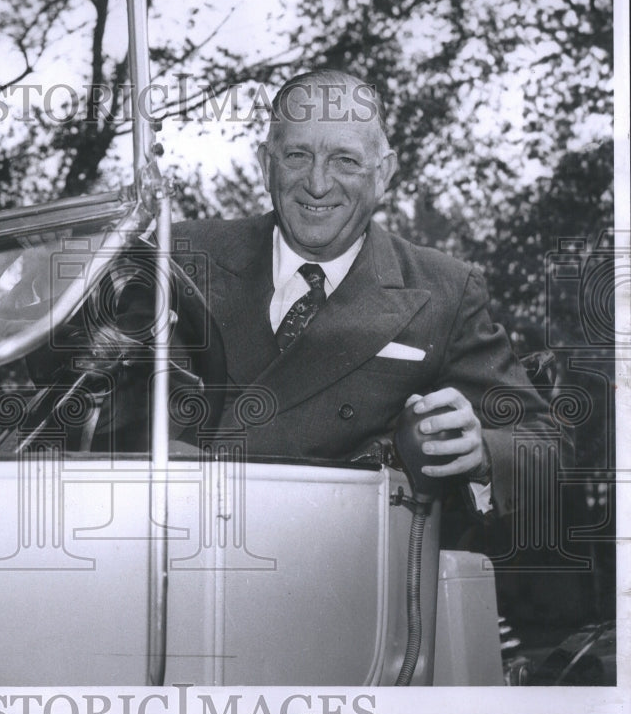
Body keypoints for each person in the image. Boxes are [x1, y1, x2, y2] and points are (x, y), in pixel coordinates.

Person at [172, 69, 552, 514]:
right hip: (181, 543)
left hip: (348, 563)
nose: (317, 183)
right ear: (265, 164)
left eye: (345, 160)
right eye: (296, 155)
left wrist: (480, 451)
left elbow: (544, 445)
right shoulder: (181, 257)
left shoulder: (444, 289)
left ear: (383, 173)